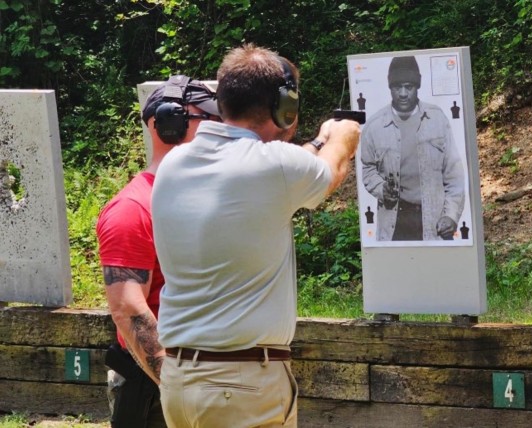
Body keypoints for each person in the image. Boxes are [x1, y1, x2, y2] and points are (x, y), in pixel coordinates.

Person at [151, 43, 360, 427]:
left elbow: (276, 164)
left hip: (181, 380)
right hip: (241, 384)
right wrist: (341, 134)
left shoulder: (176, 161)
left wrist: (314, 142)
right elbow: (331, 170)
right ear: (286, 109)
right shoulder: (275, 167)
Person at [96, 75, 221, 427]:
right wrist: (178, 387)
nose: (219, 130)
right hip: (159, 387)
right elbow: (129, 309)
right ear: (166, 124)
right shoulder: (132, 208)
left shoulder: (202, 196)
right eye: (209, 120)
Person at [360, 55, 465, 241]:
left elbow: (453, 174)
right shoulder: (374, 126)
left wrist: (451, 215)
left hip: (433, 220)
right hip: (394, 223)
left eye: (408, 87)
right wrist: (380, 188)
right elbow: (368, 169)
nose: (402, 93)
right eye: (397, 87)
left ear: (418, 86)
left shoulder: (437, 119)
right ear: (390, 88)